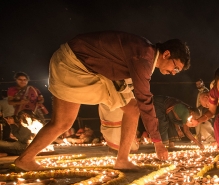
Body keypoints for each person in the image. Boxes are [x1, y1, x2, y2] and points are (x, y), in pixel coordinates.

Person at [14, 31, 190, 171]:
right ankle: (25, 158)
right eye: (175, 68)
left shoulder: (146, 53)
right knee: (62, 122)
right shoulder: (143, 57)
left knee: (131, 108)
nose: (174, 73)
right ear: (166, 54)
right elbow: (144, 98)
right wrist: (158, 143)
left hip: (89, 67)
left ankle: (122, 159)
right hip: (74, 64)